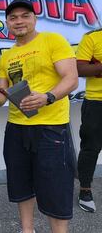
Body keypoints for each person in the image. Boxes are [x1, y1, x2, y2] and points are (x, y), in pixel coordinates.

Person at [0, 0, 78, 233]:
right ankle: (27, 230)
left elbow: (71, 79)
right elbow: (2, 98)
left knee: (56, 188)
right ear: (7, 22)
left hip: (51, 127)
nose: (19, 21)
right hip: (16, 128)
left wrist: (48, 97)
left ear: (35, 18)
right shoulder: (6, 57)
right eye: (13, 17)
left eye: (25, 15)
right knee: (21, 184)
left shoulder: (53, 40)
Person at [76, 28, 102, 213]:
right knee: (90, 148)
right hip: (96, 102)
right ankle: (85, 190)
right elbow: (80, 68)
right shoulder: (92, 37)